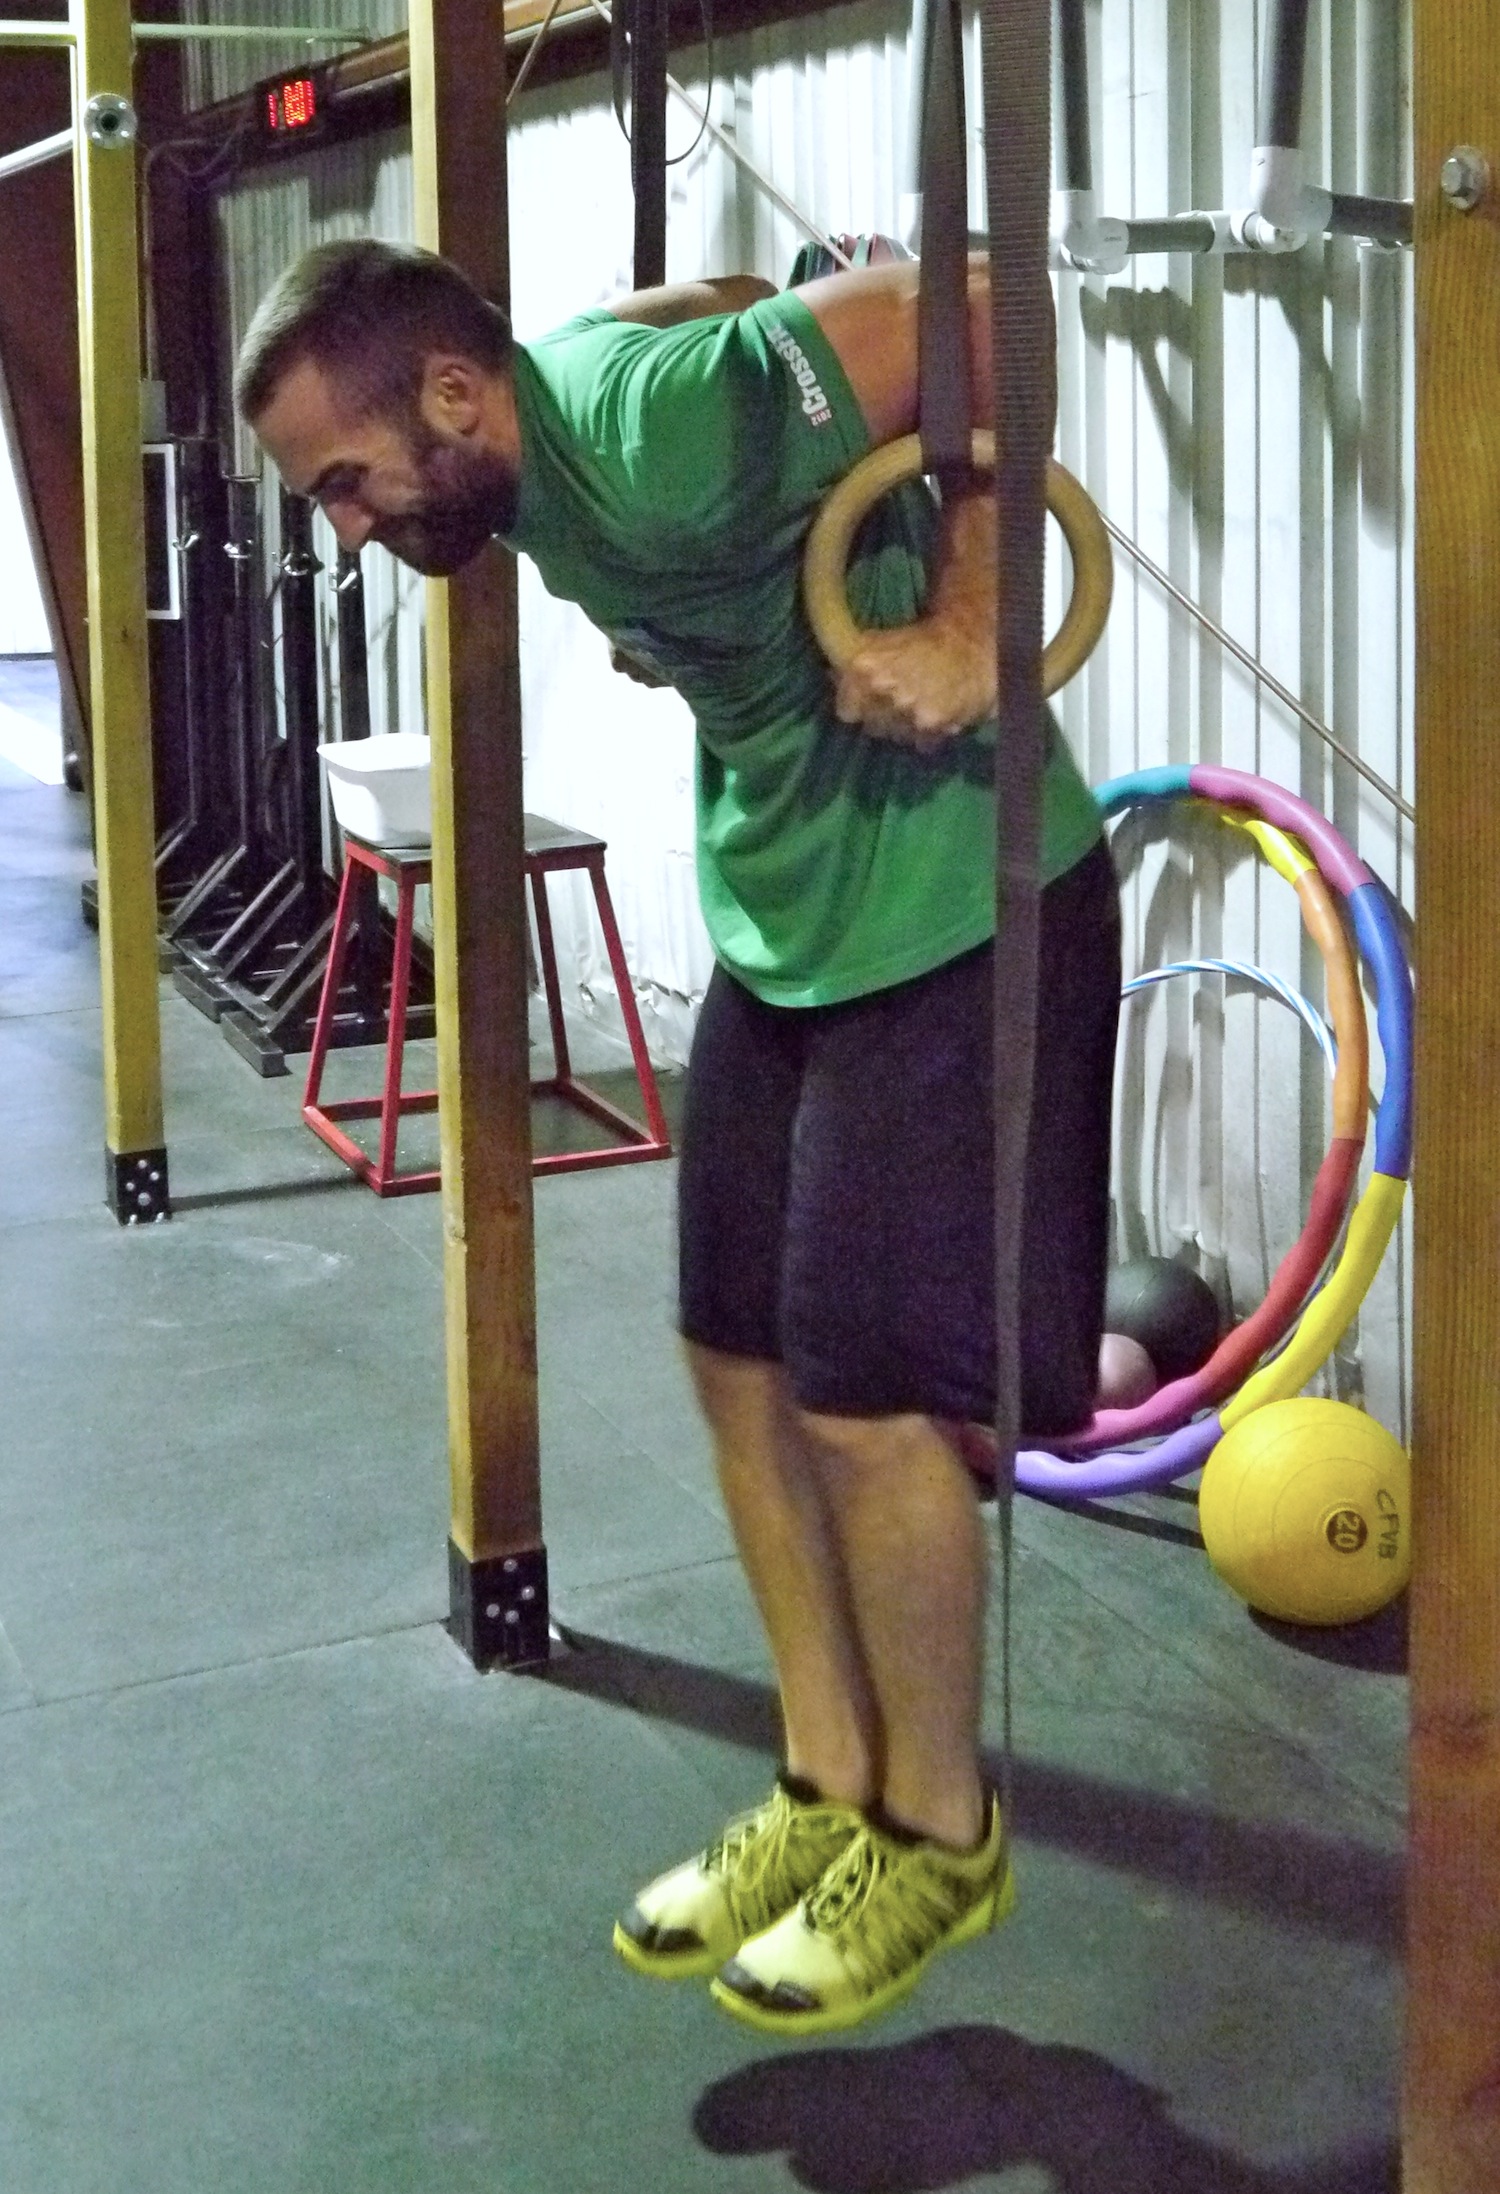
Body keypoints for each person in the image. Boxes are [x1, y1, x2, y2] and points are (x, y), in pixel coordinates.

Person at [237, 238, 1121, 2037]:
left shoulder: (653, 433)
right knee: (733, 1354)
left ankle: (939, 1831)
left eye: (344, 482)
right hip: (789, 914)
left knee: (864, 1403)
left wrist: (972, 619)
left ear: (454, 398)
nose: (343, 526)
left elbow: (981, 304)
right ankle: (826, 1779)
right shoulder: (545, 440)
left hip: (963, 902)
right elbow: (713, 293)